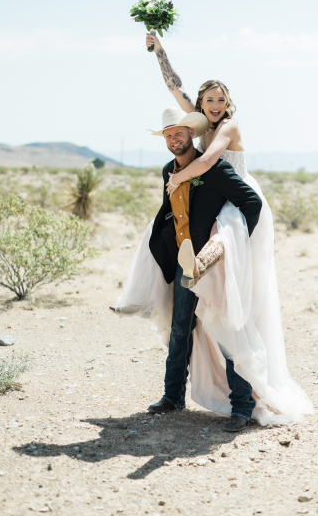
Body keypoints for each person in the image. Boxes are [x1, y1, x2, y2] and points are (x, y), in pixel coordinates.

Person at [136, 33, 314, 426]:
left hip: (239, 205)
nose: (215, 106)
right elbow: (176, 87)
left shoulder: (227, 130)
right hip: (215, 211)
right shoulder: (197, 126)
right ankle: (173, 395)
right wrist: (159, 51)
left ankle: (243, 404)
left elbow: (208, 165)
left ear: (228, 104)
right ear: (201, 107)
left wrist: (179, 179)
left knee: (233, 310)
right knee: (185, 319)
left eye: (220, 100)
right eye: (208, 101)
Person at [113, 106, 263, 432]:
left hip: (213, 267)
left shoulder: (217, 170)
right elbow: (170, 213)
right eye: (168, 135)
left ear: (191, 134)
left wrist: (234, 244)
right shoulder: (168, 169)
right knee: (180, 329)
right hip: (184, 266)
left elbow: (251, 203)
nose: (174, 139)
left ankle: (242, 406)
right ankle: (172, 396)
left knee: (226, 332)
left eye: (178, 132)